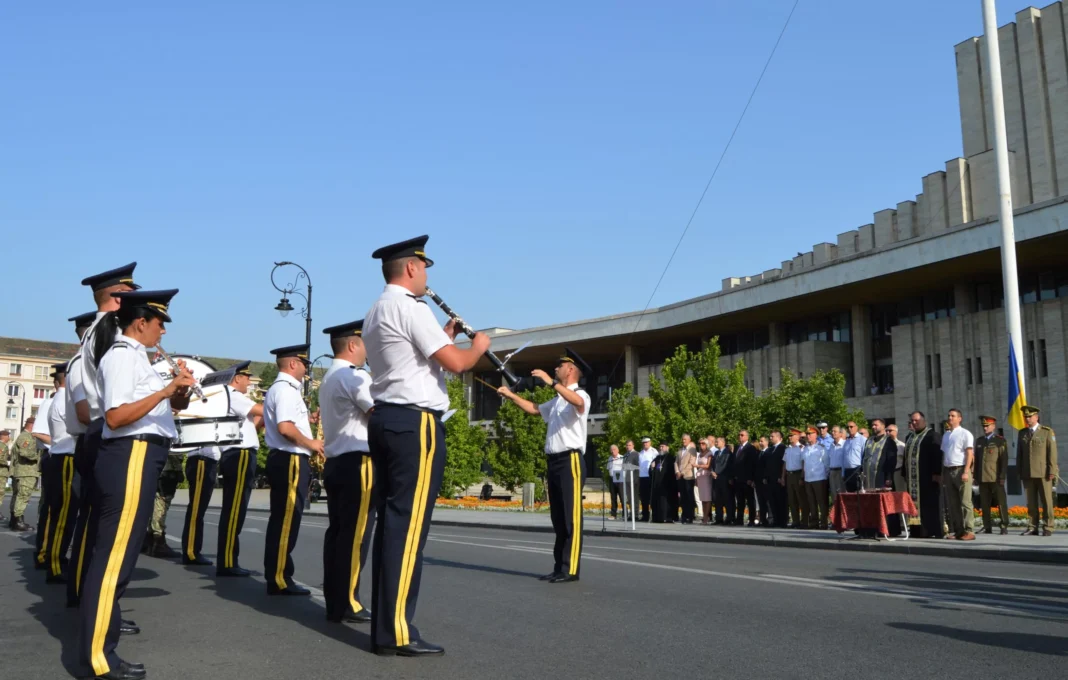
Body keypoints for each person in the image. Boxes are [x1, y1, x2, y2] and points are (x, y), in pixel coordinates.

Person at [364, 235, 490, 656]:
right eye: (425, 268)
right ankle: (396, 631)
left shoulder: (377, 310)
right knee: (408, 526)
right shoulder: (410, 306)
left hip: (386, 418)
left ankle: (386, 627)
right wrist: (478, 347)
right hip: (415, 422)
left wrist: (443, 335)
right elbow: (455, 365)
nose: (428, 276)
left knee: (393, 524)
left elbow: (410, 360)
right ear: (412, 268)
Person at [77, 288, 194, 680]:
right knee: (113, 562)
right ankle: (98, 658)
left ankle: (103, 647)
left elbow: (164, 412)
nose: (163, 332)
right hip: (130, 456)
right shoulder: (122, 357)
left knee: (120, 560)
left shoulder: (139, 360)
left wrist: (177, 394)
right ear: (140, 322)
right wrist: (163, 389)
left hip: (143, 454)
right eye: (160, 323)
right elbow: (115, 416)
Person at [66, 263, 141, 608]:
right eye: (131, 294)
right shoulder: (110, 328)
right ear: (118, 296)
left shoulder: (95, 331)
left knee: (94, 523)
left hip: (96, 432)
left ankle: (85, 595)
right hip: (105, 431)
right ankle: (95, 603)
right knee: (103, 529)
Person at [501, 349, 592, 576]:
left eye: (559, 366)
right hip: (554, 461)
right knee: (558, 519)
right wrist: (511, 396)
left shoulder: (580, 394)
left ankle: (570, 569)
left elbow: (578, 402)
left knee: (571, 518)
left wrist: (550, 382)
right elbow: (534, 409)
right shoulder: (557, 400)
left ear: (570, 370)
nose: (555, 369)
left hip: (570, 460)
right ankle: (559, 568)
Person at [319, 320, 376, 624]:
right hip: (358, 463)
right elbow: (376, 414)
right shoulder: (355, 377)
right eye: (365, 343)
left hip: (336, 462)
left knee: (338, 534)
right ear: (353, 344)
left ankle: (335, 600)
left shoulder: (329, 378)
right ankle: (349, 601)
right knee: (356, 536)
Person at [262, 342, 323, 596]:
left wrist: (307, 422)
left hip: (286, 460)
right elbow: (286, 428)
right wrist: (312, 443)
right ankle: (279, 578)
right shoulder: (286, 390)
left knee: (284, 519)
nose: (306, 370)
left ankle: (279, 574)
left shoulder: (283, 389)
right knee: (287, 520)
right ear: (293, 364)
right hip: (290, 460)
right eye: (304, 364)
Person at [216, 361, 263, 576]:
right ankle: (227, 562)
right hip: (240, 453)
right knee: (235, 509)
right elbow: (260, 409)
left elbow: (253, 425)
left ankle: (229, 559)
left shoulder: (234, 397)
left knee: (237, 508)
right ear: (237, 378)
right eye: (247, 378)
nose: (248, 381)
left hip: (242, 452)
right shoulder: (232, 394)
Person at [40, 362, 80, 583]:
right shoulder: (66, 400)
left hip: (62, 458)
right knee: (64, 515)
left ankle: (56, 560)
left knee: (63, 514)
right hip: (66, 458)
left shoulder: (61, 398)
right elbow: (81, 425)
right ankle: (54, 565)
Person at [1017, 405, 1058, 536]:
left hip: (1043, 472)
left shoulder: (1046, 432)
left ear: (1036, 417)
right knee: (1031, 502)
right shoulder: (1022, 433)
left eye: (1030, 416)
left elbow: (1052, 453)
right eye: (1025, 417)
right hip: (1027, 472)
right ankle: (1032, 526)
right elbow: (1020, 454)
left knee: (1046, 500)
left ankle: (1048, 526)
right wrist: (1020, 471)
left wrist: (1052, 470)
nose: (1027, 419)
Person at [903, 411, 944, 538]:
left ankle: (932, 530)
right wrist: (905, 473)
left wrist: (937, 473)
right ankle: (916, 530)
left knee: (929, 505)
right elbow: (906, 457)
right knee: (914, 505)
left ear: (923, 420)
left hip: (927, 477)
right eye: (912, 421)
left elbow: (938, 455)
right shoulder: (909, 437)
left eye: (916, 420)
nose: (914, 423)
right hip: (913, 479)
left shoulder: (932, 435)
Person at [180, 441, 218, 566]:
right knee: (196, 509)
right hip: (202, 459)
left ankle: (192, 550)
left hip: (206, 460)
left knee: (198, 509)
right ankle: (191, 552)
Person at [941, 408, 975, 541]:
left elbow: (969, 454)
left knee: (966, 502)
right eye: (949, 415)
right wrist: (943, 473)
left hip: (961, 470)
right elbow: (945, 454)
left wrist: (966, 471)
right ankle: (958, 530)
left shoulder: (965, 433)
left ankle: (969, 531)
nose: (950, 418)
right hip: (949, 470)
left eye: (953, 416)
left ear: (959, 418)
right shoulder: (946, 435)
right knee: (953, 503)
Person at [974, 416, 1009, 535]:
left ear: (993, 426)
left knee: (1001, 502)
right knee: (984, 503)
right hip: (983, 477)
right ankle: (986, 526)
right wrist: (976, 477)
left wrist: (1002, 476)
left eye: (987, 425)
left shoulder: (1000, 440)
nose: (985, 428)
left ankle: (1004, 525)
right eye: (983, 426)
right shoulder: (979, 441)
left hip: (995, 477)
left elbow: (1003, 460)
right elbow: (977, 461)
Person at [8, 417, 40, 531]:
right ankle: (18, 521)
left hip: (22, 471)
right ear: (32, 425)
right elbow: (24, 452)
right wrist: (39, 458)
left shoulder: (24, 436)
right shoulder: (26, 436)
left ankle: (14, 520)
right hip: (26, 471)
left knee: (17, 496)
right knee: (23, 497)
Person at [801, 426, 830, 530]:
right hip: (808, 479)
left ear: (816, 435)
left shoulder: (821, 448)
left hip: (819, 478)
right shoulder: (805, 449)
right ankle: (814, 523)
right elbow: (804, 464)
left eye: (810, 434)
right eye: (807, 434)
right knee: (811, 502)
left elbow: (826, 464)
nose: (808, 436)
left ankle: (823, 523)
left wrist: (825, 477)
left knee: (821, 502)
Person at [782, 428, 807, 529]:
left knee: (801, 499)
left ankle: (804, 521)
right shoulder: (787, 449)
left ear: (797, 437)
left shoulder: (801, 448)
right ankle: (795, 521)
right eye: (789, 436)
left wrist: (802, 476)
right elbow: (784, 464)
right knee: (792, 500)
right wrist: (783, 477)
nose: (790, 437)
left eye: (792, 435)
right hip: (789, 475)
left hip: (798, 474)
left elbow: (804, 463)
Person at [861, 419, 894, 490]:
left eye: (876, 425)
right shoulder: (869, 440)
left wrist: (889, 477)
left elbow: (891, 461)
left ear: (883, 426)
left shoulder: (889, 441)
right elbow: (864, 457)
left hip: (880, 476)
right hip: (867, 476)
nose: (873, 427)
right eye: (872, 425)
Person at [733, 430, 757, 526]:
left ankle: (751, 520)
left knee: (750, 501)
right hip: (738, 479)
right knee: (740, 501)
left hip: (747, 479)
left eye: (742, 435)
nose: (740, 436)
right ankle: (739, 520)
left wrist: (751, 478)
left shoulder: (751, 448)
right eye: (739, 435)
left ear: (747, 437)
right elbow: (735, 463)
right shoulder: (737, 447)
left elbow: (752, 464)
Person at [764, 431, 787, 528]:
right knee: (772, 500)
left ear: (778, 437)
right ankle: (775, 520)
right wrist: (765, 476)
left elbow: (783, 464)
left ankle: (782, 521)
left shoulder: (783, 448)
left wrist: (781, 477)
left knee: (780, 500)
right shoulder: (770, 449)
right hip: (770, 479)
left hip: (778, 478)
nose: (770, 438)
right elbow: (767, 464)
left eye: (772, 436)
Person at [712, 437, 734, 525]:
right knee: (718, 500)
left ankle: (729, 518)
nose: (716, 443)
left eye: (717, 441)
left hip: (724, 478)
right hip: (716, 479)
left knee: (727, 499)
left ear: (723, 442)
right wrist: (713, 472)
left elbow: (727, 465)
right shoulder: (716, 453)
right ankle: (719, 518)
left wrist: (718, 473)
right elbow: (714, 464)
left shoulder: (728, 453)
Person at [675, 436, 696, 524]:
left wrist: (682, 472)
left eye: (685, 439)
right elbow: (676, 462)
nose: (683, 441)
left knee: (689, 497)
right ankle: (684, 516)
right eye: (682, 439)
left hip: (688, 476)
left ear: (689, 440)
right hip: (680, 476)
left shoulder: (692, 450)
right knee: (683, 497)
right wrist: (677, 471)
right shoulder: (680, 450)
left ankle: (690, 516)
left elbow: (691, 463)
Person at [842, 421, 866, 492]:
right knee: (849, 494)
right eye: (847, 427)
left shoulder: (862, 439)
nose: (849, 429)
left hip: (857, 470)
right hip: (847, 471)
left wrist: (862, 471)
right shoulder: (846, 441)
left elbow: (864, 456)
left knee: (858, 494)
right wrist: (843, 473)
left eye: (851, 427)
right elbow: (843, 458)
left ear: (856, 427)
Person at [637, 437, 656, 521]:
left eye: (647, 442)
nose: (645, 444)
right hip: (642, 477)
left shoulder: (654, 452)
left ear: (650, 443)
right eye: (644, 443)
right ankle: (645, 515)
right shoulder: (640, 453)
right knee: (643, 498)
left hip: (650, 477)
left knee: (651, 497)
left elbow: (657, 464)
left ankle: (654, 515)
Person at [695, 438, 713, 524]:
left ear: (707, 445)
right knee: (702, 498)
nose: (701, 445)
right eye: (700, 444)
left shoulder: (709, 454)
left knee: (707, 498)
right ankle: (704, 516)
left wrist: (697, 465)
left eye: (703, 444)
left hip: (706, 476)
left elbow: (708, 465)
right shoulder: (700, 454)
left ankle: (706, 516)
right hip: (700, 476)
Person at [621, 440, 640, 521]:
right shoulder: (625, 455)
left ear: (633, 446)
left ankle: (635, 514)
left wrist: (636, 478)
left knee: (635, 498)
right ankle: (631, 514)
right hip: (627, 479)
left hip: (634, 479)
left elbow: (638, 467)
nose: (628, 447)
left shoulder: (636, 454)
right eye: (627, 445)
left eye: (629, 445)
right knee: (629, 498)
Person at [605, 445, 625, 519]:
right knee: (613, 497)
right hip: (611, 477)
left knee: (622, 497)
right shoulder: (610, 458)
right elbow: (608, 468)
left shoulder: (622, 458)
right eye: (611, 449)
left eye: (614, 449)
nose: (612, 451)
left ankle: (624, 514)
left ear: (618, 450)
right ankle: (613, 514)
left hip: (619, 477)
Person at [827, 426, 845, 500]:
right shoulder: (831, 445)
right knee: (834, 495)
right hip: (832, 472)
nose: (832, 433)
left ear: (840, 434)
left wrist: (844, 473)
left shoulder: (844, 444)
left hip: (840, 472)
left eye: (835, 431)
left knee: (842, 494)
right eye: (832, 431)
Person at [0, 430, 11, 524]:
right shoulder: (2, 446)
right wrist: (7, 464)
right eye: (8, 436)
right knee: (0, 492)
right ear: (4, 436)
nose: (9, 438)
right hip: (1, 472)